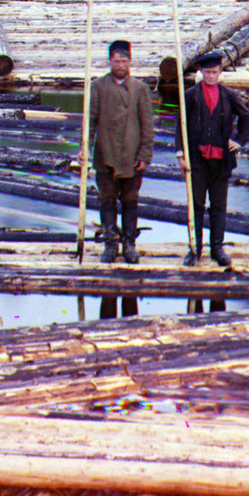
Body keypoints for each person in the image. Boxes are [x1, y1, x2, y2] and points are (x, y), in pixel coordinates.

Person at [79, 39, 154, 319]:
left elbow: (148, 125)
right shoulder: (98, 87)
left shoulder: (141, 89)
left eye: (124, 61)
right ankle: (111, 242)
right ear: (109, 61)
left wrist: (145, 154)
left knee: (131, 199)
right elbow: (90, 121)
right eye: (115, 61)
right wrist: (85, 147)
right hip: (106, 154)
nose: (120, 65)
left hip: (132, 156)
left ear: (130, 62)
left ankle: (129, 244)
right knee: (107, 199)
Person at [176, 50, 249, 271]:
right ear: (201, 72)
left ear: (220, 72)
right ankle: (195, 249)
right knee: (196, 205)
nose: (211, 76)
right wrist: (180, 155)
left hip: (221, 161)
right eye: (207, 72)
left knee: (219, 205)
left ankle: (217, 249)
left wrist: (238, 141)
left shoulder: (229, 95)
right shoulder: (191, 95)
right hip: (196, 160)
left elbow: (248, 118)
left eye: (214, 72)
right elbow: (180, 125)